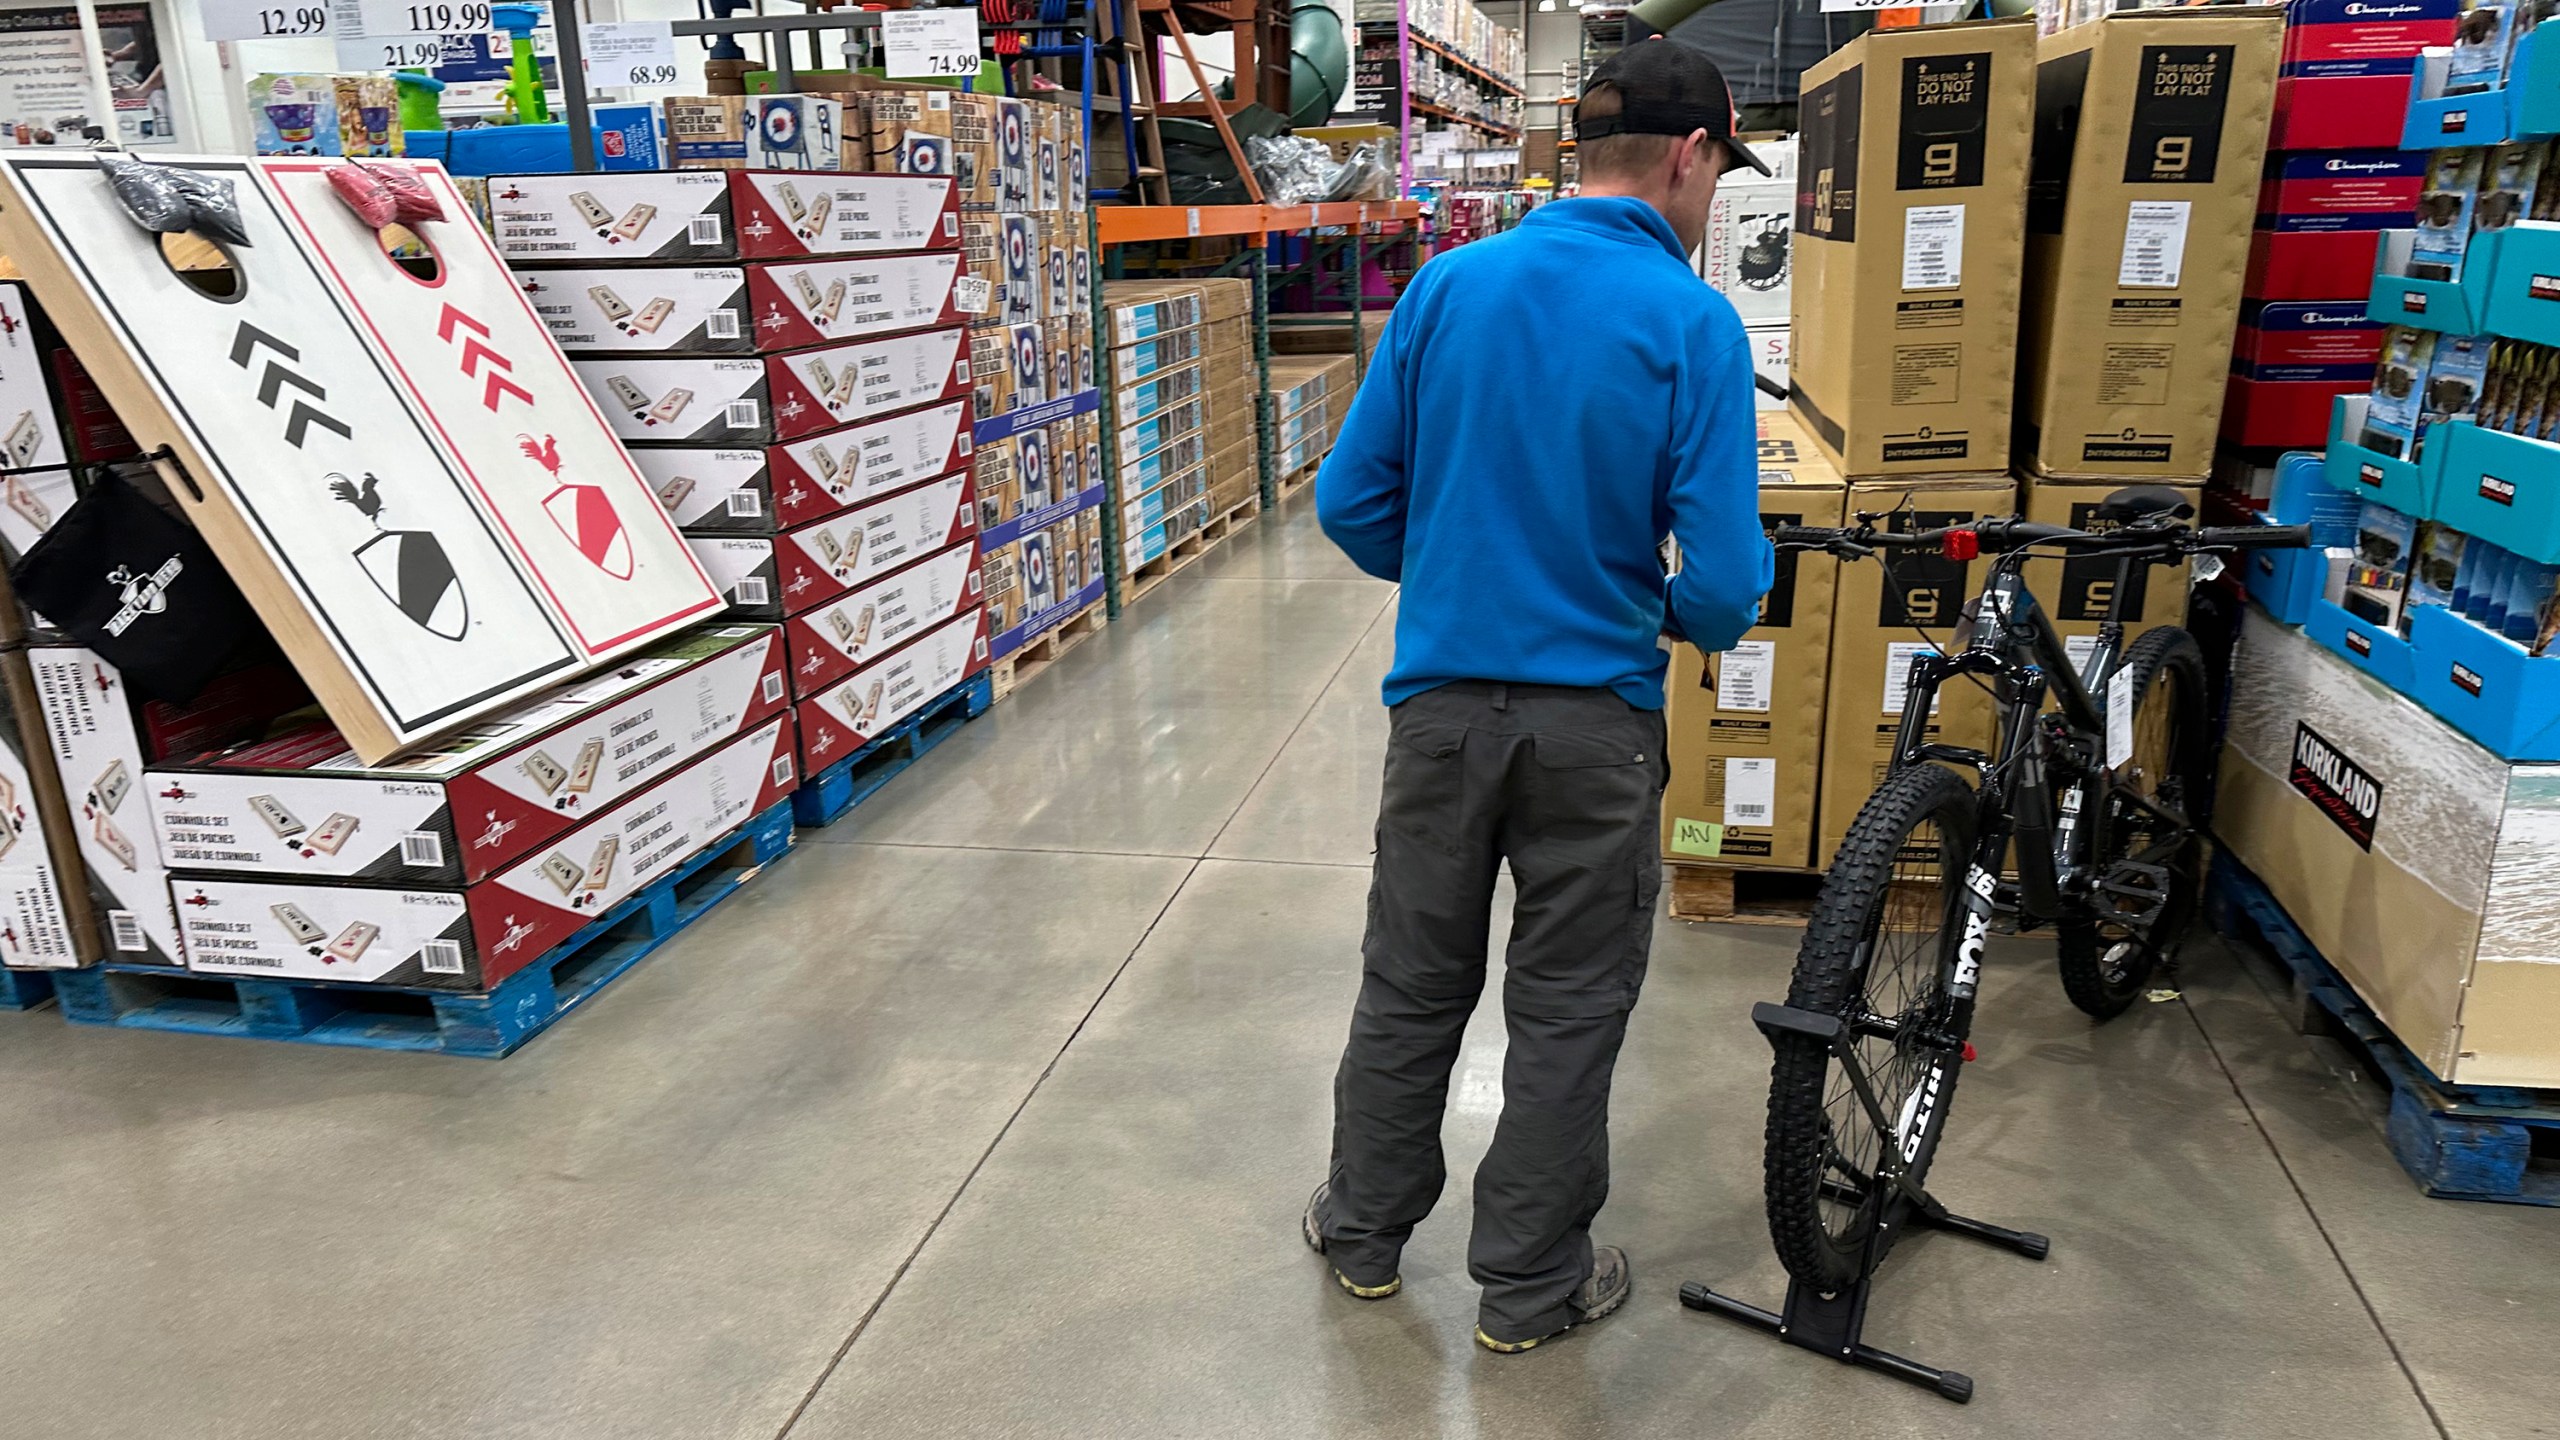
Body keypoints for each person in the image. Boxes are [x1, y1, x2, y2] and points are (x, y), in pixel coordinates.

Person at [1302, 38, 1777, 1355]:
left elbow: (1350, 503)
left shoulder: (1452, 286)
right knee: (1565, 1009)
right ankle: (1525, 1291)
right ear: (1689, 157)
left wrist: (1462, 571)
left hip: (1442, 714)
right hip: (1597, 729)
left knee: (1409, 983)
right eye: (1717, 177)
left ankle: (1363, 1238)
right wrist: (1654, 608)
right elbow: (1732, 583)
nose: (1710, 203)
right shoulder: (1693, 323)